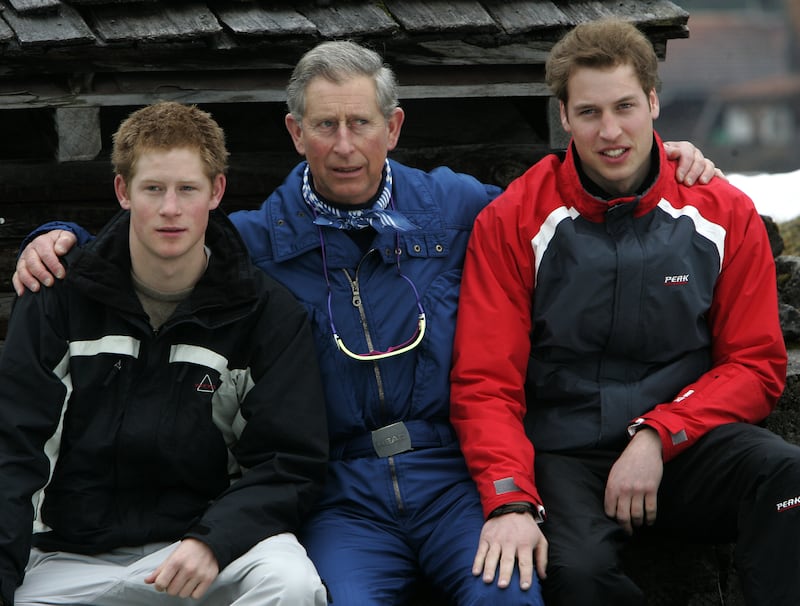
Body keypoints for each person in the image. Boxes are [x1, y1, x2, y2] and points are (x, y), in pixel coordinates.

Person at [11, 41, 718, 605]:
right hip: (340, 486)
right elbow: (165, 228)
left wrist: (667, 160)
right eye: (325, 125)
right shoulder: (257, 241)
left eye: (361, 122)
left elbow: (560, 198)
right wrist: (62, 234)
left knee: (509, 589)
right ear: (296, 132)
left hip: (451, 471)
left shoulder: (458, 206)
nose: (344, 144)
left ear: (394, 125)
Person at [449, 18, 800, 606]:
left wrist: (659, 435)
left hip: (685, 443)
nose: (610, 131)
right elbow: (485, 382)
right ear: (563, 116)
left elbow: (756, 363)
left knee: (790, 480)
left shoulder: (722, 212)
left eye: (625, 106)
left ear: (654, 102)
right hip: (564, 453)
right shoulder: (513, 220)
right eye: (589, 112)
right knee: (575, 575)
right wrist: (508, 495)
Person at [0, 101, 329, 606]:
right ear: (122, 191)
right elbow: (13, 448)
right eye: (153, 188)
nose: (170, 208)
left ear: (216, 192)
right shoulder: (56, 297)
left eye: (187, 189)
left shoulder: (265, 312)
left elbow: (289, 460)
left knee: (290, 583)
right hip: (68, 558)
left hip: (202, 550)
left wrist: (214, 540)